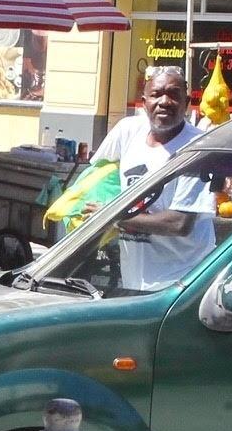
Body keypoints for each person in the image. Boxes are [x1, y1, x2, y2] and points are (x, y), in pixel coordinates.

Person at [82, 67, 216, 291]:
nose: (164, 101)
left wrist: (110, 216)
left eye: (174, 94)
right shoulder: (127, 131)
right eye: (156, 94)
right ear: (144, 102)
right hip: (135, 278)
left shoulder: (197, 148)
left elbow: (179, 223)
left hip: (182, 282)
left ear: (187, 103)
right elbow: (95, 176)